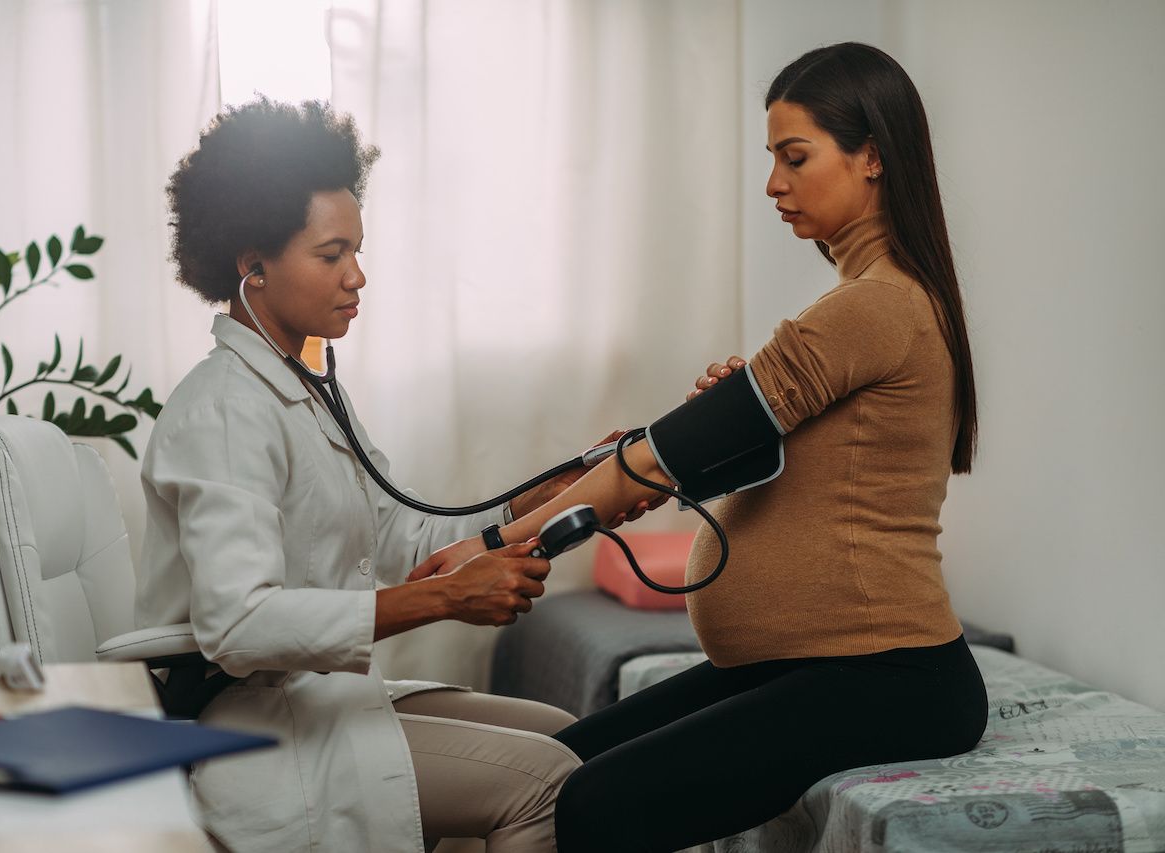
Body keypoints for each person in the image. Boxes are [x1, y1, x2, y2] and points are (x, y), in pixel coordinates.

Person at [414, 42, 988, 851]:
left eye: (795, 157)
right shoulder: (866, 302)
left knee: (592, 802)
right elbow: (760, 462)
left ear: (872, 158)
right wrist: (729, 422)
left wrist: (492, 543)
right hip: (810, 660)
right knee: (544, 767)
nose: (773, 184)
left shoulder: (874, 307)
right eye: (771, 159)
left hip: (887, 675)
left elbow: (655, 461)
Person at [136, 97, 649, 853]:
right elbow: (238, 623)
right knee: (550, 784)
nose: (357, 276)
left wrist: (538, 499)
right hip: (244, 723)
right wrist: (438, 598)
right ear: (252, 268)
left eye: (357, 250)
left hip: (310, 699)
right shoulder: (223, 410)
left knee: (575, 741)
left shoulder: (303, 391)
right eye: (331, 254)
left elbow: (398, 531)